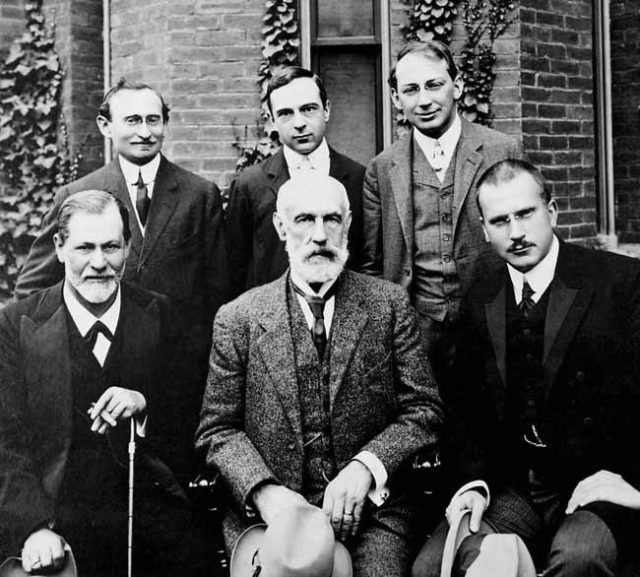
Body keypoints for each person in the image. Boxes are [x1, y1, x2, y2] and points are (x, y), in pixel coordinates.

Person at [197, 174, 443, 577]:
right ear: (280, 227)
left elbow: (424, 409)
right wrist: (264, 491)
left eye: (332, 220)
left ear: (348, 224)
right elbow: (217, 430)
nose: (319, 235)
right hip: (269, 520)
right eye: (304, 220)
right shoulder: (238, 318)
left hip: (372, 516)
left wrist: (367, 466)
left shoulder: (388, 305)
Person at [413, 159, 640, 576]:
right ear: (483, 230)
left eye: (525, 214)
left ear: (551, 212)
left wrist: (636, 486)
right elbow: (463, 410)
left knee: (579, 559)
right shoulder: (481, 297)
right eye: (500, 221)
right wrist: (472, 483)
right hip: (516, 486)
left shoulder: (620, 283)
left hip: (602, 485)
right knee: (432, 567)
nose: (515, 233)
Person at [0, 190, 207, 577]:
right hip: (55, 526)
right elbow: (6, 442)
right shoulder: (17, 325)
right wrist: (32, 528)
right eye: (84, 248)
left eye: (111, 247)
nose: (99, 263)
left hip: (149, 524)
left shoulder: (162, 315)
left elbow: (194, 416)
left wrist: (144, 405)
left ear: (128, 247)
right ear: (60, 248)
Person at [14, 78, 228, 396]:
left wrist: (198, 357)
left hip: (174, 369)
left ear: (166, 124)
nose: (144, 132)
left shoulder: (200, 195)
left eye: (153, 120)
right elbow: (32, 289)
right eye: (132, 120)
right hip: (95, 364)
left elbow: (218, 292)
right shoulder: (77, 194)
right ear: (106, 125)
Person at [361, 41, 522, 382]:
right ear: (396, 99)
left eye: (434, 84)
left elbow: (525, 238)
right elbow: (373, 265)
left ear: (457, 86)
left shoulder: (501, 150)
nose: (424, 100)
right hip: (416, 330)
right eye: (411, 89)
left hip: (491, 324)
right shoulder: (382, 168)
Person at [226, 66, 365, 298]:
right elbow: (236, 269)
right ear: (272, 120)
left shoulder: (359, 178)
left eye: (308, 109)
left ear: (327, 110)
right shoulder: (250, 185)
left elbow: (367, 259)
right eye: (285, 113)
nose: (299, 123)